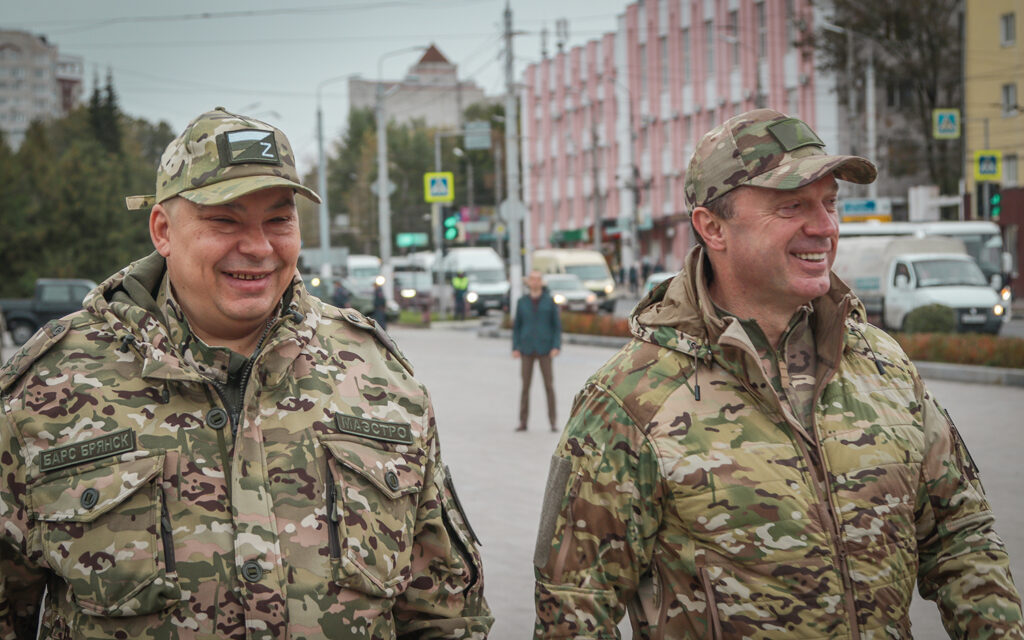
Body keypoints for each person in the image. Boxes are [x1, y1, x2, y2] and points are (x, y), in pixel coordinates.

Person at [0, 107, 492, 639]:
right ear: (163, 230)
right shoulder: (50, 388)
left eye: (278, 219)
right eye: (225, 220)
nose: (258, 247)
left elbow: (444, 613)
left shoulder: (378, 378)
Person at [532, 109, 1022, 638]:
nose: (825, 227)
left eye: (830, 203)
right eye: (792, 206)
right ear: (713, 228)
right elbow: (573, 610)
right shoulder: (628, 398)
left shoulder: (885, 366)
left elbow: (961, 537)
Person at [512, 270, 562, 432]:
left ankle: (553, 421)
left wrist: (556, 346)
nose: (535, 282)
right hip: (526, 348)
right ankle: (523, 421)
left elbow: (557, 327)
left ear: (541, 282)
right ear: (528, 282)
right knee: (525, 386)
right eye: (532, 279)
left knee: (549, 385)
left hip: (545, 349)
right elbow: (517, 327)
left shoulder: (549, 301)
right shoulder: (522, 302)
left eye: (537, 279)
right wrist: (515, 347)